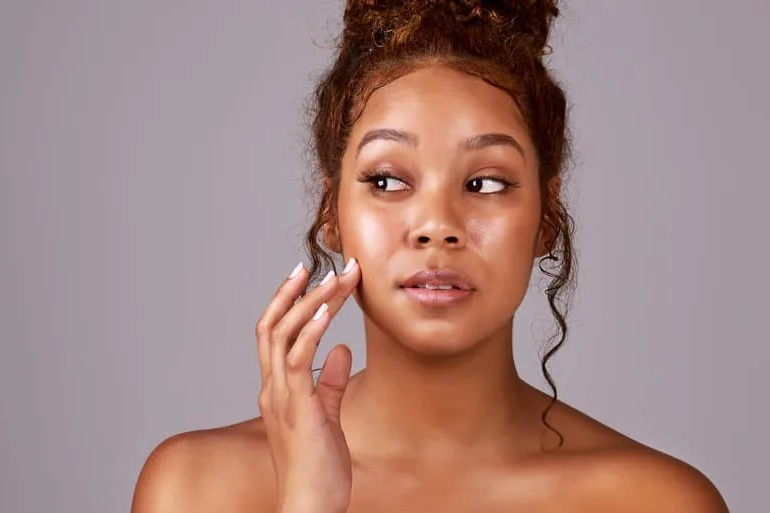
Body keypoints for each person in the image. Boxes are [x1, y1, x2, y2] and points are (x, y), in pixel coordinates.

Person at [131, 1, 728, 512]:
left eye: (487, 183)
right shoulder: (197, 490)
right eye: (388, 181)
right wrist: (309, 502)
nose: (438, 227)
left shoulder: (654, 501)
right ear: (330, 211)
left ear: (548, 215)